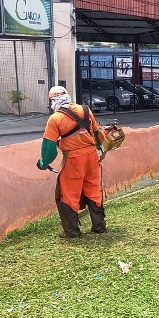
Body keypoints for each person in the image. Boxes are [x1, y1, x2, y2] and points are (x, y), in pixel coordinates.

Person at [36, 86, 107, 238]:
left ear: (54, 101)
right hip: (91, 156)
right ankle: (99, 226)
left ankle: (72, 231)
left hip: (73, 160)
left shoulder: (55, 119)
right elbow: (97, 133)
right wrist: (100, 149)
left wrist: (43, 163)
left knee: (68, 193)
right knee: (93, 189)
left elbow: (49, 149)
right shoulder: (86, 110)